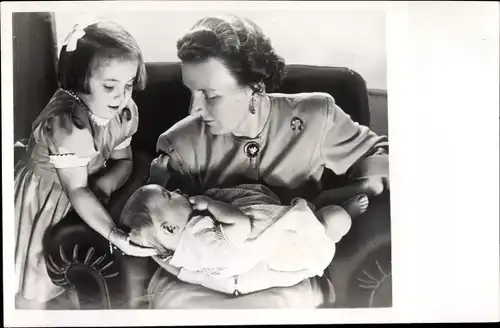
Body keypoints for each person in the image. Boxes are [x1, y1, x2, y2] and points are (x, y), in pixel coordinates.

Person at [144, 14, 389, 307]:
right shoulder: (179, 142)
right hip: (205, 278)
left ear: (254, 89)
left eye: (210, 95)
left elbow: (379, 156)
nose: (194, 108)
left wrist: (358, 189)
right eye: (192, 92)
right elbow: (154, 217)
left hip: (289, 270)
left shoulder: (315, 117)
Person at [14, 20, 157, 309]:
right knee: (33, 285)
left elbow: (123, 160)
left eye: (129, 84)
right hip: (46, 197)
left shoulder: (122, 112)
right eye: (109, 85)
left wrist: (106, 183)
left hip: (82, 191)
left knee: (63, 286)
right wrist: (115, 235)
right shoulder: (67, 126)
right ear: (79, 80)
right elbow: (76, 189)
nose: (122, 96)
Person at [120, 184, 369, 283]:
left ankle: (319, 215)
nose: (175, 190)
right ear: (169, 228)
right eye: (168, 195)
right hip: (290, 244)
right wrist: (210, 204)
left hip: (273, 260)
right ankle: (340, 219)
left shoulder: (179, 254)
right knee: (334, 220)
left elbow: (182, 275)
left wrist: (152, 253)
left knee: (309, 217)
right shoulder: (198, 234)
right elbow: (241, 225)